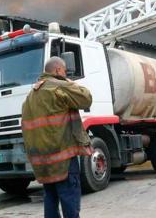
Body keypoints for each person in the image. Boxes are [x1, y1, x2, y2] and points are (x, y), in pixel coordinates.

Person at [22, 57, 93, 218]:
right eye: (65, 71)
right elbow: (86, 98)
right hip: (63, 158)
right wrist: (69, 82)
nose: (66, 73)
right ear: (58, 71)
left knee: (51, 198)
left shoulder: (31, 96)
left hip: (43, 161)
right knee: (69, 198)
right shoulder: (58, 86)